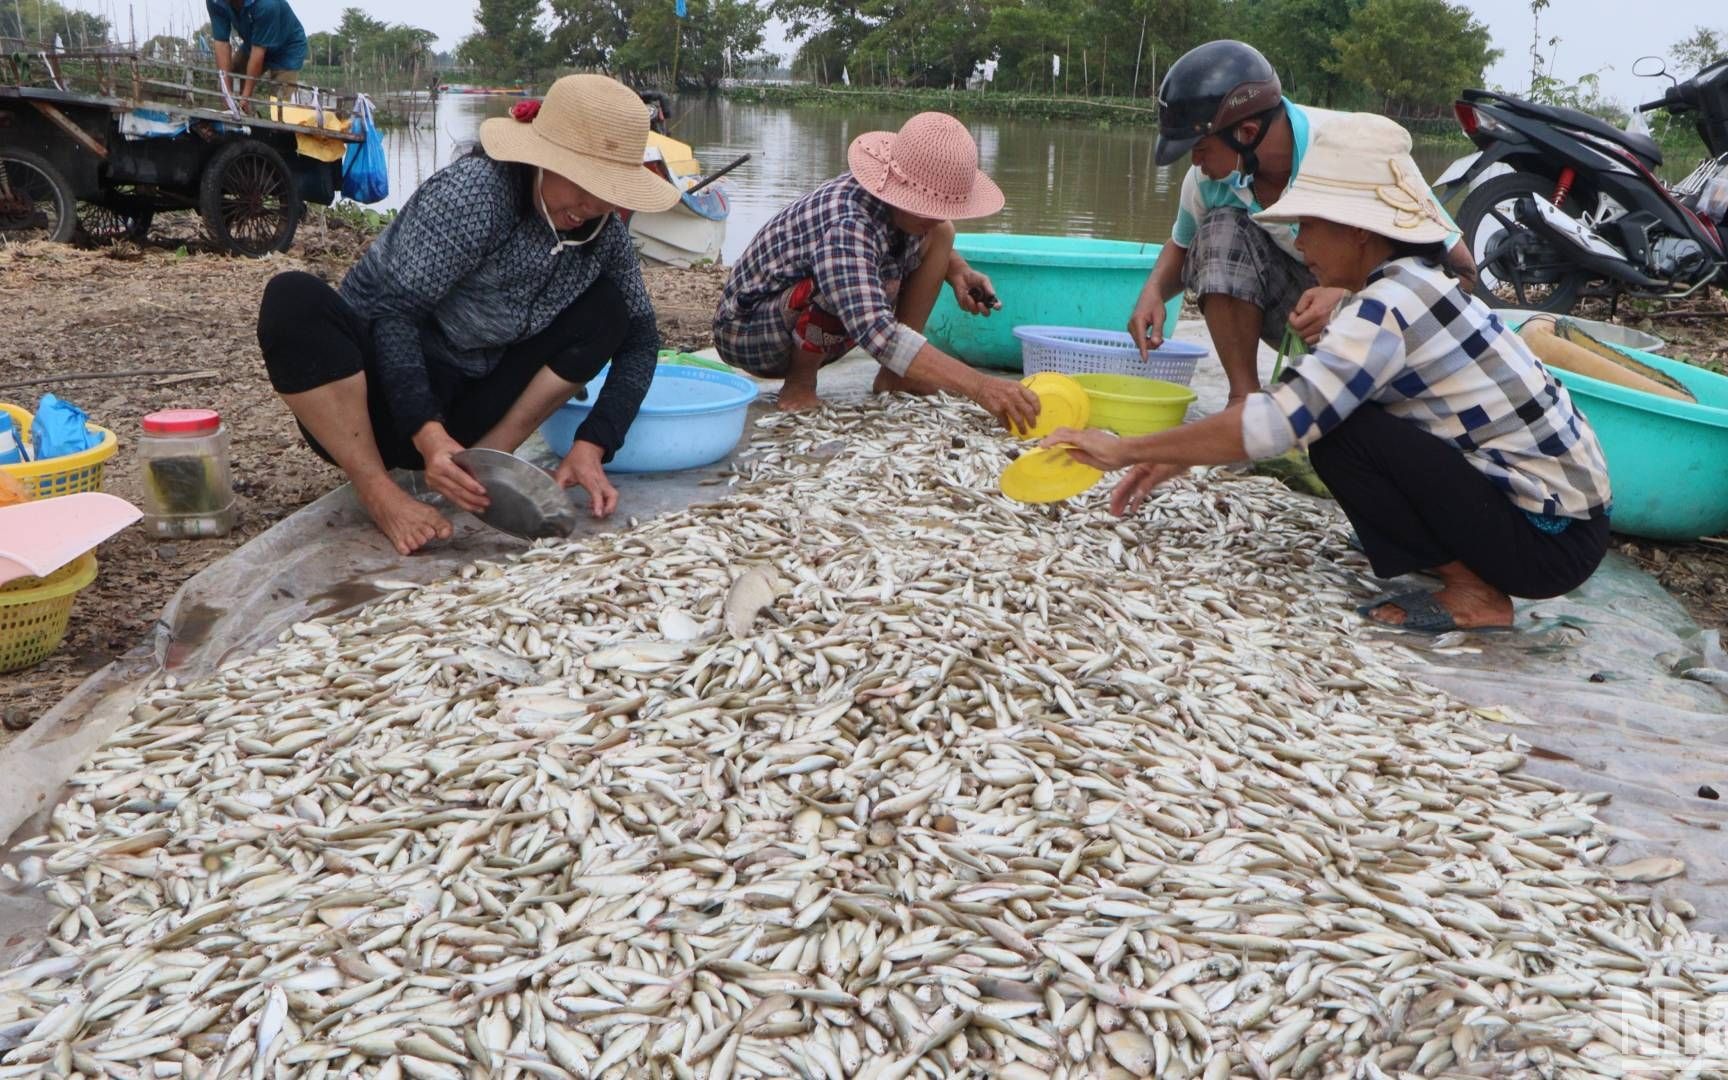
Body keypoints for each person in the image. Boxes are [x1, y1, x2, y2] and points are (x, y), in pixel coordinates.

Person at [1046, 114, 1612, 634]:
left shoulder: (1386, 306)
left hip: (1548, 541)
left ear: (1360, 232)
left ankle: (1475, 591)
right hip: (1567, 524)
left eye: (1311, 226)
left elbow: (1284, 421)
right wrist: (1179, 452)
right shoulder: (1412, 281)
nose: (1301, 244)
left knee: (1339, 433)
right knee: (1344, 415)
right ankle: (1454, 562)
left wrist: (1129, 449)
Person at [255, 74, 680, 556]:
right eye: (582, 183)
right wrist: (428, 435)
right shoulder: (479, 192)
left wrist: (594, 442)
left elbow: (642, 339)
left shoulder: (604, 235)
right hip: (377, 398)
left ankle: (485, 469)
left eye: (609, 191)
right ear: (541, 159)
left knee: (609, 308)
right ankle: (378, 489)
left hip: (470, 398)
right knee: (292, 297)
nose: (593, 204)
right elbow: (396, 313)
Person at [1128, 40, 1476, 404]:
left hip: (1387, 322)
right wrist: (1151, 295)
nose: (1195, 164)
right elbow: (1182, 248)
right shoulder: (1210, 179)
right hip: (1302, 318)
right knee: (1218, 233)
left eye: (1200, 150)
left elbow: (1463, 273)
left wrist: (1350, 298)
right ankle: (1244, 402)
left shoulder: (1352, 149)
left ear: (1246, 133)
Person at [714, 112, 1039, 432]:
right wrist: (982, 388)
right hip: (748, 331)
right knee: (848, 282)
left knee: (942, 234)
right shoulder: (848, 225)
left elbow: (925, 237)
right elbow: (877, 331)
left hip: (806, 321)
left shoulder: (906, 215)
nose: (936, 216)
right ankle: (799, 385)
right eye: (927, 207)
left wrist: (957, 270)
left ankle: (898, 374)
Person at [205, 0, 308, 105]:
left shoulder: (267, 4)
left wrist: (246, 97)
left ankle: (259, 113)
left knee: (281, 105)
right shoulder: (215, 2)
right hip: (253, 43)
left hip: (286, 50)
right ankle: (242, 115)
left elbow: (257, 55)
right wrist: (226, 92)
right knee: (230, 83)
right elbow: (221, 43)